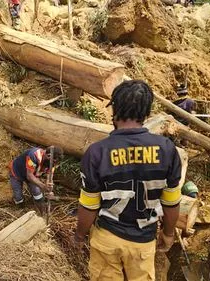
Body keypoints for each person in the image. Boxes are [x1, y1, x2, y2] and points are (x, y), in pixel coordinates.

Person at [75, 80, 182, 281]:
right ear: (147, 113)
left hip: (107, 237)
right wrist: (168, 233)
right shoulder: (167, 150)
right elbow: (171, 202)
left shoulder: (97, 153)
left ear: (114, 110)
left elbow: (89, 206)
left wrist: (79, 235)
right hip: (143, 241)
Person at [8, 146, 63, 214]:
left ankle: (41, 210)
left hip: (32, 174)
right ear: (48, 156)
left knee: (37, 193)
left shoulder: (52, 163)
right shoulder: (33, 156)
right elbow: (29, 176)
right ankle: (20, 209)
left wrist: (49, 190)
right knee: (18, 195)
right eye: (54, 162)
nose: (54, 165)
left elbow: (50, 179)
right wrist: (43, 186)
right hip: (17, 172)